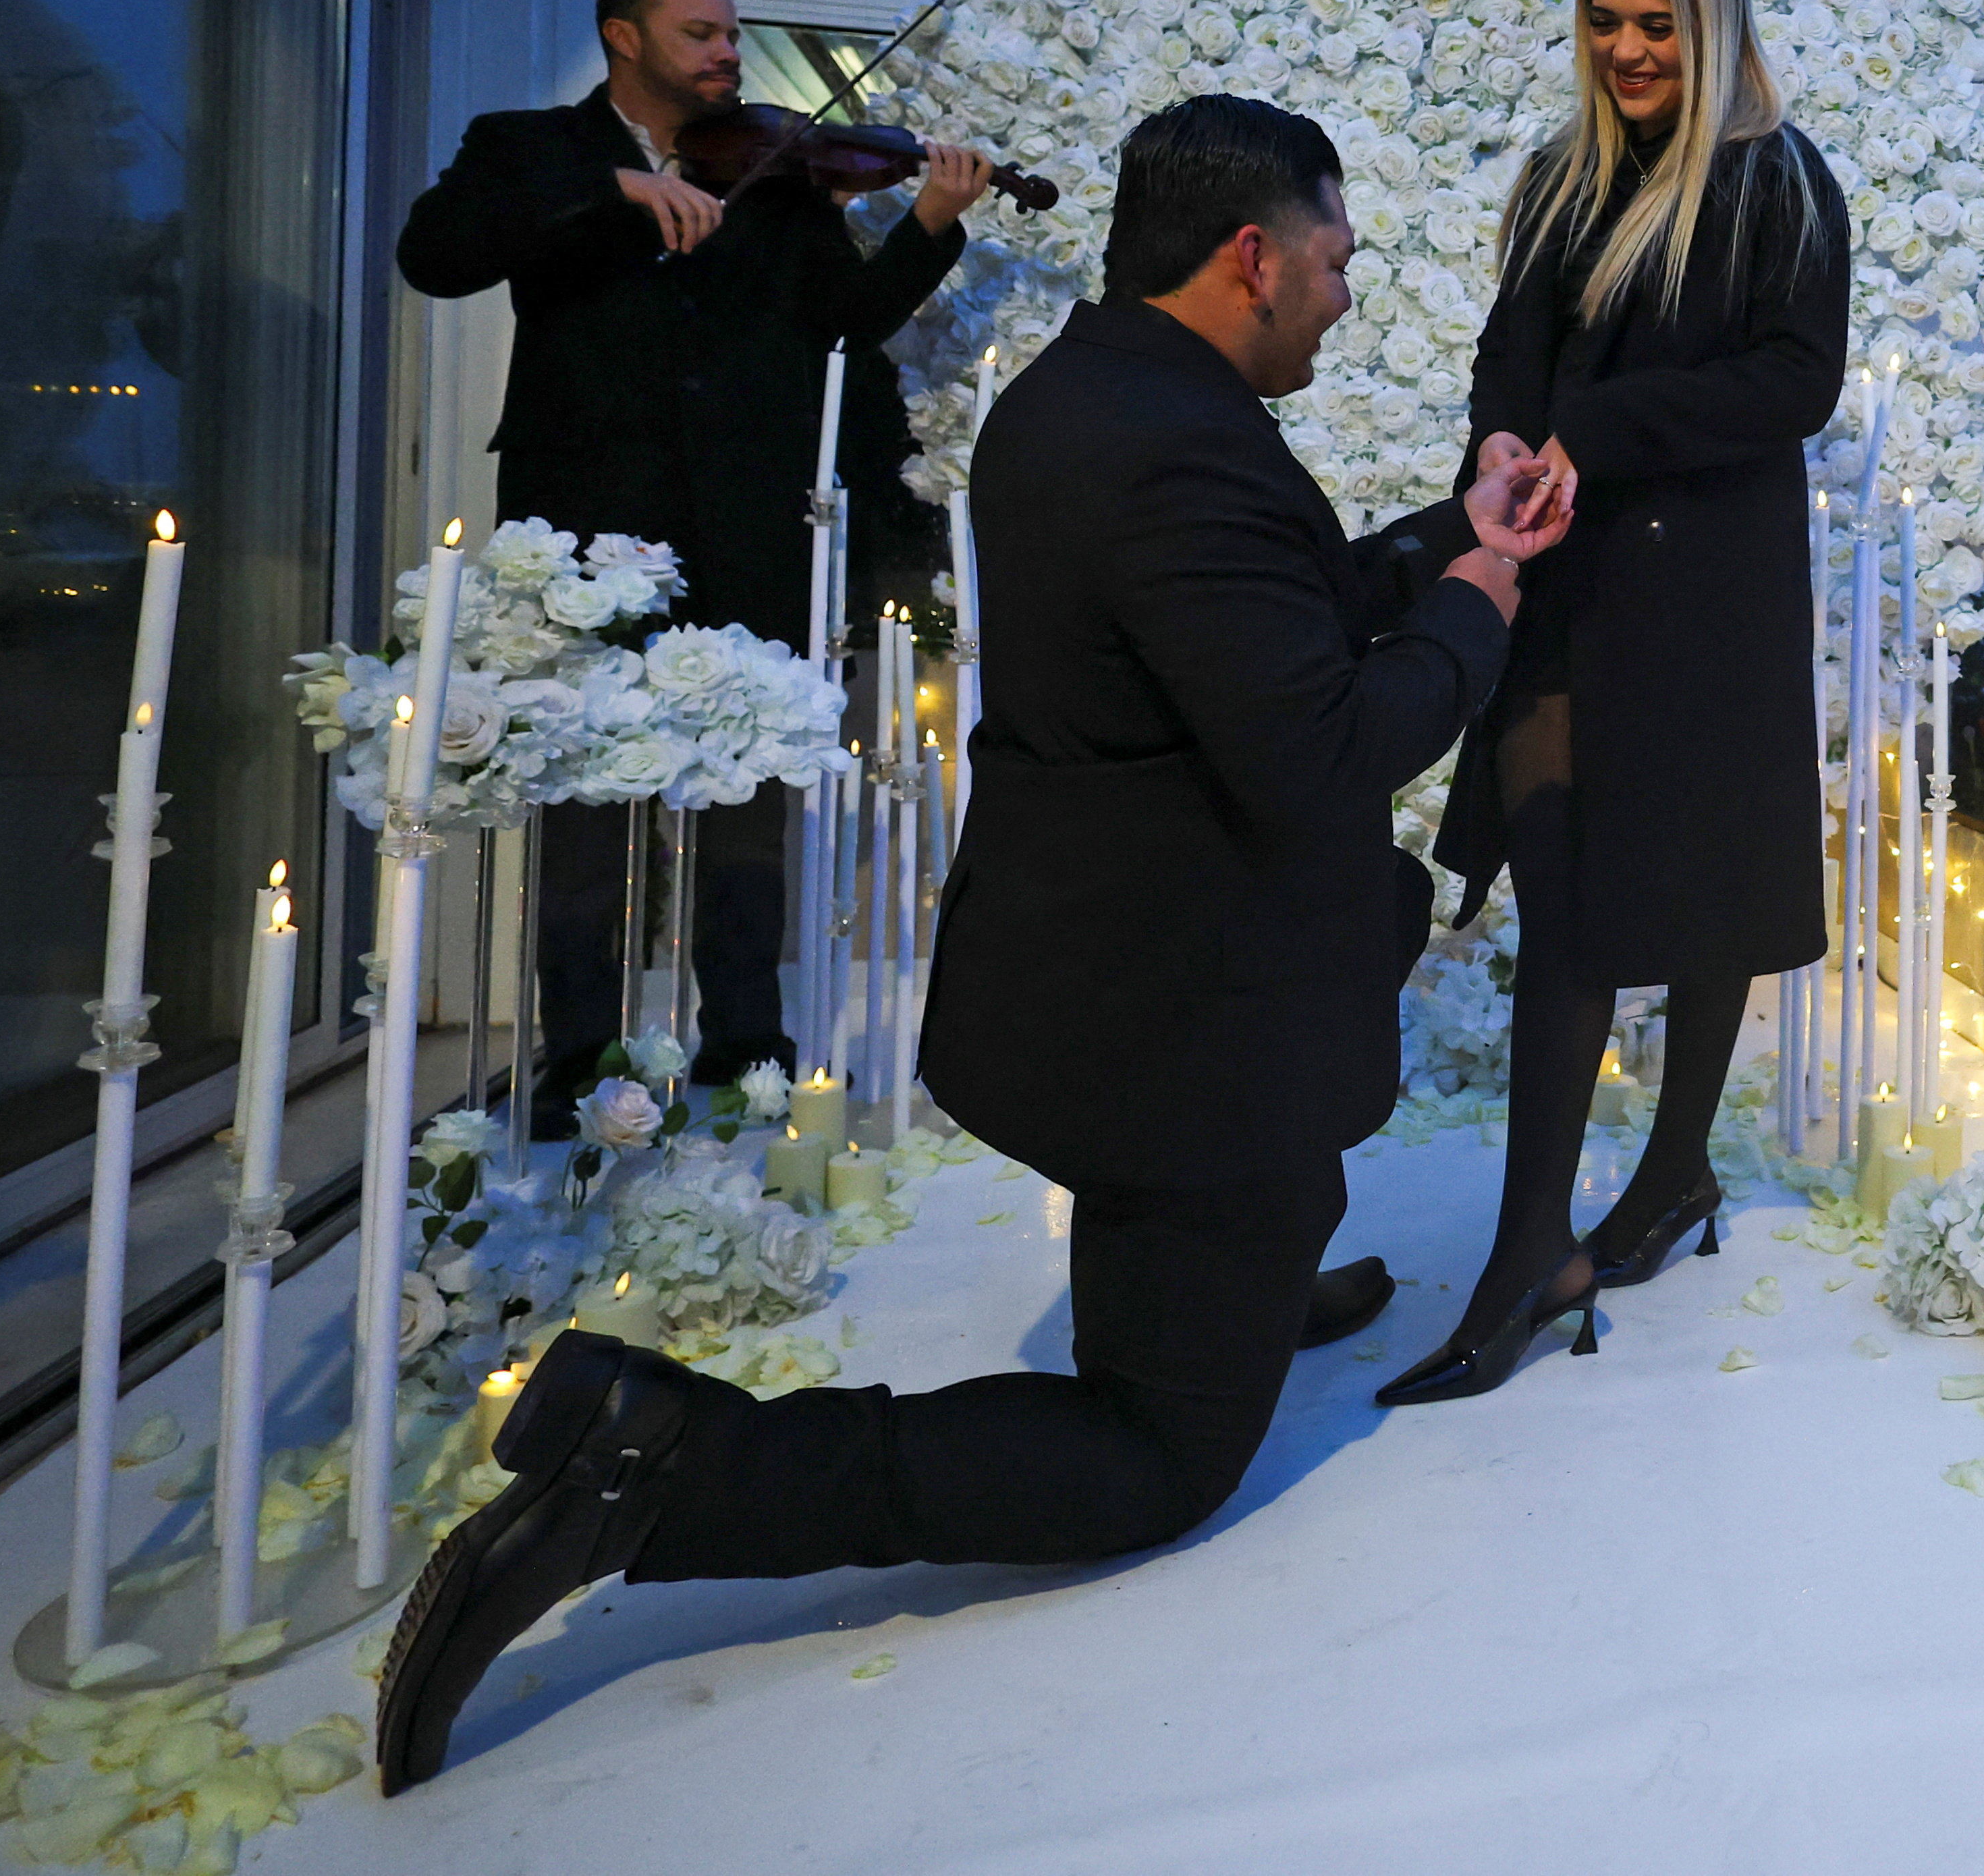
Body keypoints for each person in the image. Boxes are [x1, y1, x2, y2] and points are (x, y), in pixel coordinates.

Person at [376, 94, 1568, 1793]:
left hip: (1113, 966)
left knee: (1259, 1182)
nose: (1344, 293)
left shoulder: (1102, 391)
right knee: (1159, 1461)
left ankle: (1246, 1279)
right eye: (1333, 257)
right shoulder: (1174, 442)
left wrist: (1455, 532)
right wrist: (1480, 613)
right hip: (1181, 1011)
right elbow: (1315, 743)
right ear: (1249, 254)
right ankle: (662, 1469)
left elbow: (1244, 623)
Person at [1381, 0, 1851, 1406]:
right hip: (1569, 578)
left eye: (1658, 22)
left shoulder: (1780, 183)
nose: (1629, 48)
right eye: (1606, 19)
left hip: (1707, 590)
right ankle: (1537, 1244)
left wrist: (1596, 435)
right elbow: (1508, 355)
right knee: (1568, 891)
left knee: (1704, 884)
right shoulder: (1561, 179)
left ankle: (1664, 1182)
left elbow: (1795, 383)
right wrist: (1506, 443)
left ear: (1709, 27)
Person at [393, 0, 997, 1113]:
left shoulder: (773, 171)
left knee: (744, 796)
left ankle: (745, 1042)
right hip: (581, 533)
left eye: (732, 34)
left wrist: (927, 224)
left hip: (745, 525)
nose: (727, 53)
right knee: (580, 801)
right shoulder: (527, 146)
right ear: (624, 36)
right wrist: (611, 193)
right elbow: (439, 257)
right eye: (701, 33)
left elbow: (848, 323)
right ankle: (578, 1050)